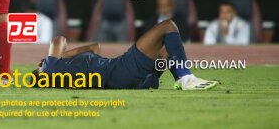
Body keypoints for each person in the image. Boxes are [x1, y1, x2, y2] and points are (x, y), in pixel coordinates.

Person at [30, 20, 218, 90]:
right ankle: (186, 79)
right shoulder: (50, 67)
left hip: (127, 79)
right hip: (121, 70)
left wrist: (63, 57)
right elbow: (59, 39)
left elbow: (95, 48)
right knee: (168, 27)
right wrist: (51, 57)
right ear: (41, 72)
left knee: (166, 51)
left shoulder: (61, 70)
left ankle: (182, 79)